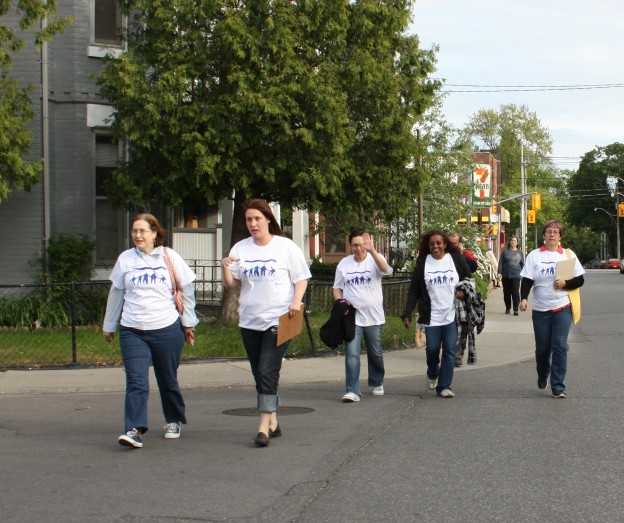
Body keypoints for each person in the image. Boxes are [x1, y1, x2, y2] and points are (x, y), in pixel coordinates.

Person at [103, 213, 199, 449]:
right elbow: (116, 293)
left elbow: (186, 290)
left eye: (142, 231)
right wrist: (109, 325)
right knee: (136, 381)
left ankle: (174, 419)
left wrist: (188, 322)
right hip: (133, 331)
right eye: (134, 231)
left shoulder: (169, 257)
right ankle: (134, 429)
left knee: (167, 380)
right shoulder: (125, 259)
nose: (137, 235)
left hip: (166, 329)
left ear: (154, 233)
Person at [221, 198, 311, 447]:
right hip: (250, 320)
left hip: (280, 318)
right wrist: (224, 266)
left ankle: (262, 427)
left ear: (268, 219)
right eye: (249, 219)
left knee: (266, 369)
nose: (253, 224)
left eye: (257, 219)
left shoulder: (285, 247)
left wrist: (296, 302)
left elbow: (301, 278)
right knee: (259, 373)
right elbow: (232, 284)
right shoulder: (240, 248)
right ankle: (273, 420)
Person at [519, 220, 585, 398]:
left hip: (562, 306)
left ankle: (558, 386)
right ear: (544, 235)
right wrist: (524, 298)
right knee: (542, 349)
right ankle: (542, 374)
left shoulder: (568, 255)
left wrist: (566, 283)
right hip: (540, 309)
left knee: (560, 346)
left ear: (560, 236)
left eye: (556, 232)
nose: (552, 235)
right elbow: (527, 280)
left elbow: (580, 280)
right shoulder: (535, 255)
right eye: (549, 231)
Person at [402, 230, 472, 398]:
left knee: (449, 350)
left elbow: (468, 279)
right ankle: (433, 372)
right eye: (432, 243)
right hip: (430, 315)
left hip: (451, 314)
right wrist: (407, 313)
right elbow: (414, 291)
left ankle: (444, 386)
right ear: (428, 246)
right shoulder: (422, 263)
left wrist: (463, 291)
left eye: (439, 243)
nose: (435, 246)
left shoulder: (455, 259)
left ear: (445, 244)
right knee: (432, 349)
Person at [332, 230, 394, 402]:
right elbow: (337, 288)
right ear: (350, 246)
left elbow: (386, 270)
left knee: (375, 352)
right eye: (355, 245)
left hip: (373, 316)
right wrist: (340, 304)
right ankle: (352, 389)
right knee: (352, 353)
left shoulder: (375, 259)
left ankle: (377, 381)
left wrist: (372, 251)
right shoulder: (344, 264)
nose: (358, 248)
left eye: (361, 244)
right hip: (352, 317)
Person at [448, 232, 478, 367]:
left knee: (462, 327)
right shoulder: (442, 256)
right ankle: (448, 351)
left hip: (461, 297)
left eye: (454, 243)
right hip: (445, 296)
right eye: (450, 243)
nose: (452, 246)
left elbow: (472, 269)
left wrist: (461, 254)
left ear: (459, 243)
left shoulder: (465, 254)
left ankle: (458, 355)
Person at [498, 236, 524, 315]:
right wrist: (499, 272)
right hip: (506, 275)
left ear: (517, 243)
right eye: (512, 240)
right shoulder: (505, 252)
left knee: (515, 291)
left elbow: (523, 264)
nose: (513, 242)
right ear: (509, 242)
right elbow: (501, 263)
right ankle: (508, 307)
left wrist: (524, 275)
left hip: (516, 275)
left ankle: (516, 309)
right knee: (506, 292)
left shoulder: (520, 253)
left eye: (515, 240)